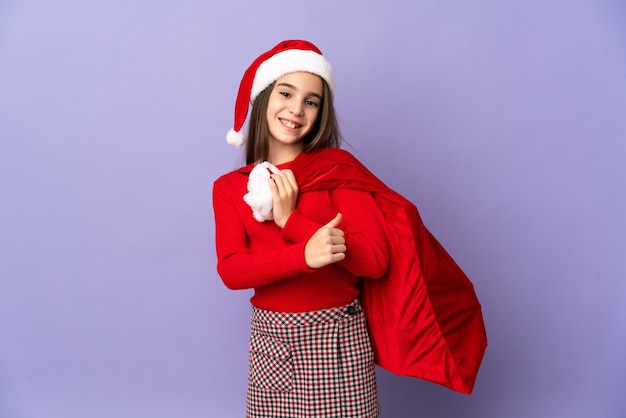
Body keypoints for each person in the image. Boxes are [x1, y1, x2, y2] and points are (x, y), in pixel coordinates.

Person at [213, 40, 487, 418]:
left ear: (321, 112)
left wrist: (293, 222)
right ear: (263, 97)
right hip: (274, 344)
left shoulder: (338, 172)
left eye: (312, 101)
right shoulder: (230, 187)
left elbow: (376, 261)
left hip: (339, 341)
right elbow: (231, 269)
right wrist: (303, 256)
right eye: (286, 93)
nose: (296, 108)